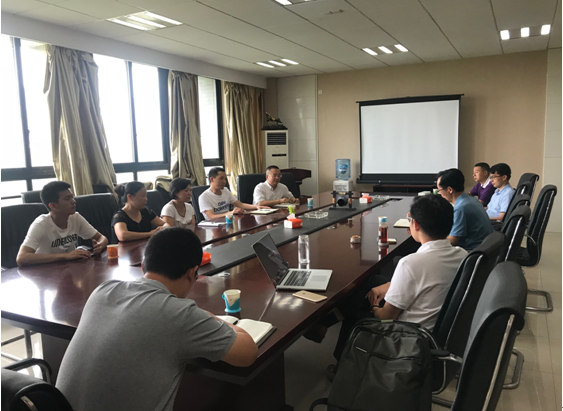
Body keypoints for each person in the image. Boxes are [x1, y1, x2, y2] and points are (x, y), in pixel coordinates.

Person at [56, 228, 258, 411]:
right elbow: (247, 353)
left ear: (144, 265)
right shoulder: (179, 314)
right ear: (191, 273)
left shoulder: (103, 291)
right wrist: (208, 316)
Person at [331, 195, 467, 365]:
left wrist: (374, 306)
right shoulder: (463, 255)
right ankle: (329, 321)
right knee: (374, 281)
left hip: (410, 337)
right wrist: (390, 285)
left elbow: (386, 317)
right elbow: (427, 280)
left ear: (415, 224)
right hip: (441, 327)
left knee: (356, 309)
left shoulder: (411, 263)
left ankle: (343, 366)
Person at [16, 181, 108, 267]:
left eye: (72, 197)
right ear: (53, 205)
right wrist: (65, 256)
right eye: (67, 199)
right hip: (45, 272)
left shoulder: (75, 218)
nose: (73, 201)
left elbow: (101, 238)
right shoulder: (40, 224)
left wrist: (100, 245)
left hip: (69, 269)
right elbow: (21, 258)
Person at [437, 168, 493, 249]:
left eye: (439, 190)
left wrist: (432, 242)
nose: (439, 193)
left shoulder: (461, 208)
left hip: (473, 250)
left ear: (450, 190)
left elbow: (452, 241)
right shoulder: (472, 200)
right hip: (485, 247)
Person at [198, 167, 270, 220]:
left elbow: (240, 205)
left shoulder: (225, 190)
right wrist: (231, 213)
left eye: (225, 179)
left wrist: (257, 207)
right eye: (221, 178)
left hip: (227, 222)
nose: (224, 182)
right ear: (212, 179)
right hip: (213, 227)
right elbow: (211, 217)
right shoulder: (204, 197)